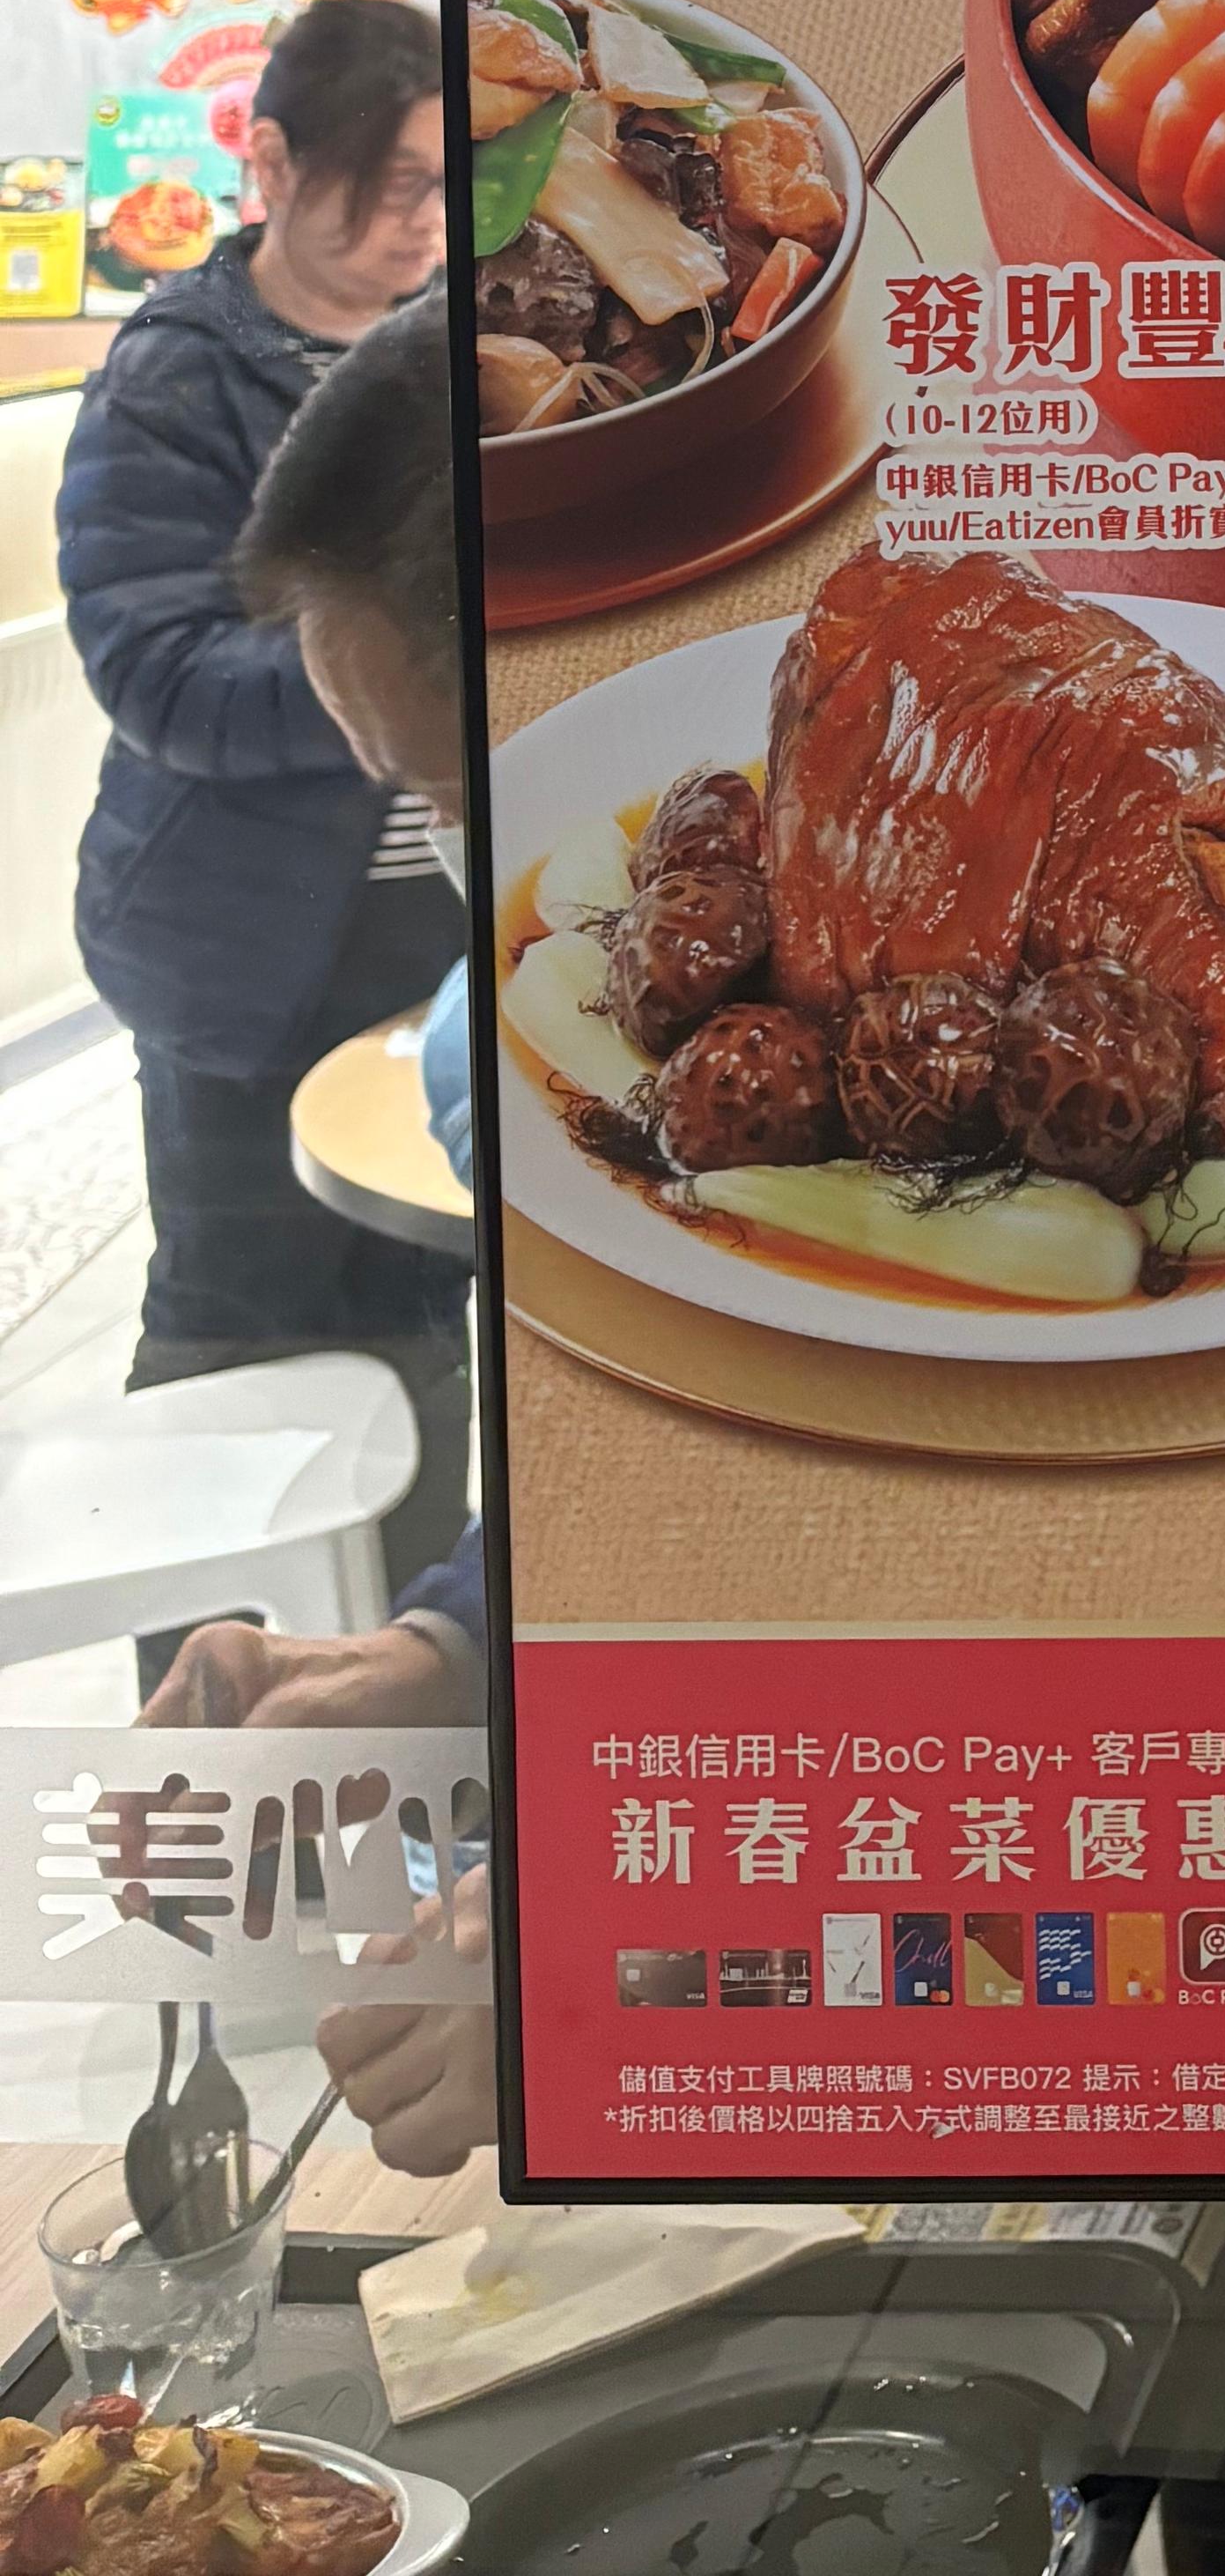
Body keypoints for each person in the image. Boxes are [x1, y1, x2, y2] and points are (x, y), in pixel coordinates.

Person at [141, 288, 498, 2174]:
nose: (449, 855)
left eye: (449, 791)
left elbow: (1008, 1609)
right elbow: (662, 1496)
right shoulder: (510, 1051)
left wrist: (650, 1953)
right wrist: (435, 1660)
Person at [57, 3, 469, 1601]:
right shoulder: (176, 374)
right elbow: (157, 676)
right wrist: (399, 657)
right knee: (239, 1335)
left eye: (453, 184)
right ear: (276, 162)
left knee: (421, 1321)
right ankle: (215, 1704)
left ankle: (396, 1683)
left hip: (426, 957)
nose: (429, 221)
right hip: (243, 957)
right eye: (395, 181)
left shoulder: (458, 346)